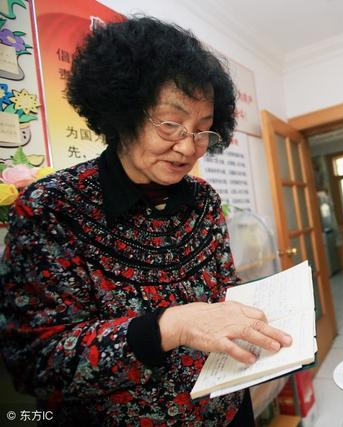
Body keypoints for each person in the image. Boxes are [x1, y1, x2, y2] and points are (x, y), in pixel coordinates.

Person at [0, 17, 293, 425]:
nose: (188, 147)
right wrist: (169, 326)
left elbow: (224, 291)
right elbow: (34, 360)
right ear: (123, 111)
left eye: (202, 131)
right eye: (171, 125)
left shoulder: (203, 202)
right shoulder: (51, 209)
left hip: (228, 411)